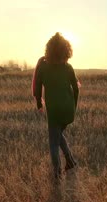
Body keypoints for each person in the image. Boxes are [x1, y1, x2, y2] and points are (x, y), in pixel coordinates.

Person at [32, 32, 80, 180]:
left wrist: (39, 103)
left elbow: (37, 87)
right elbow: (76, 88)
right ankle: (70, 162)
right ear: (66, 51)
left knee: (53, 143)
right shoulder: (68, 67)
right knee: (58, 135)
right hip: (68, 109)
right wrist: (74, 106)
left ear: (49, 50)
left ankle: (57, 175)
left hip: (54, 110)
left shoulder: (43, 67)